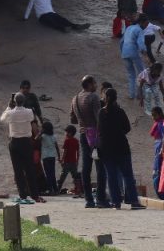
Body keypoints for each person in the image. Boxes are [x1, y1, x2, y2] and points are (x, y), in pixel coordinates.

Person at [97, 88, 145, 210]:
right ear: (116, 98)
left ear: (106, 98)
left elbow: (100, 131)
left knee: (111, 176)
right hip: (122, 147)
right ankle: (134, 201)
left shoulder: (101, 113)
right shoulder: (120, 111)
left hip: (107, 150)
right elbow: (127, 128)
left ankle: (116, 202)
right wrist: (118, 133)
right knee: (128, 175)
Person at [70, 75, 108, 208]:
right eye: (95, 83)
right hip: (95, 136)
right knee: (100, 167)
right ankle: (101, 199)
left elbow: (73, 120)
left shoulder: (75, 98)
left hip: (83, 134)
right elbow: (99, 119)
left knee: (86, 167)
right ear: (90, 84)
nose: (96, 85)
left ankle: (88, 199)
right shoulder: (93, 97)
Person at [1, 93, 42, 204]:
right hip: (27, 142)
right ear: (23, 101)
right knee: (30, 169)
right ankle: (35, 194)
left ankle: (22, 195)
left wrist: (9, 106)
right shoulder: (29, 112)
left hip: (15, 142)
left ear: (14, 101)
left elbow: (2, 119)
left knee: (18, 170)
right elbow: (31, 118)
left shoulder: (10, 113)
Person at [22, 0, 88, 31]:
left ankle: (76, 26)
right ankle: (63, 28)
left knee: (62, 19)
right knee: (52, 22)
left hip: (51, 13)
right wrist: (25, 17)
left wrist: (54, 13)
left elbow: (49, 4)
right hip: (41, 16)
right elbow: (29, 6)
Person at [120, 17, 147, 100]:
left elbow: (121, 41)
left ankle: (132, 95)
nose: (146, 26)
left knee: (131, 75)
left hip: (125, 53)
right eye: (146, 24)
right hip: (134, 53)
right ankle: (141, 95)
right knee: (142, 74)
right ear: (142, 22)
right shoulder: (139, 30)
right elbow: (141, 44)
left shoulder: (128, 28)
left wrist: (122, 52)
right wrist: (146, 54)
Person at [149, 106, 164, 199]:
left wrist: (161, 150)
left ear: (159, 114)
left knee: (157, 173)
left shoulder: (161, 124)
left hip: (160, 150)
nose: (153, 117)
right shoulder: (161, 123)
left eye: (154, 115)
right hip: (160, 150)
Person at [57, 125, 81, 195]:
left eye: (67, 132)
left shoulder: (67, 141)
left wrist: (62, 160)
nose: (66, 134)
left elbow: (65, 151)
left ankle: (58, 190)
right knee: (75, 177)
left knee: (62, 176)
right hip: (74, 162)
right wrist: (77, 161)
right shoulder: (76, 141)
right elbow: (78, 152)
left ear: (70, 133)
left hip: (67, 162)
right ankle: (78, 190)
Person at [39, 121, 60, 195]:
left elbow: (35, 139)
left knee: (48, 174)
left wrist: (40, 132)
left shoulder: (43, 136)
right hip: (52, 156)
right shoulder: (53, 136)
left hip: (46, 157)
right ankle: (55, 189)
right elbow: (57, 147)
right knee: (52, 173)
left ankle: (50, 190)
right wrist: (59, 156)